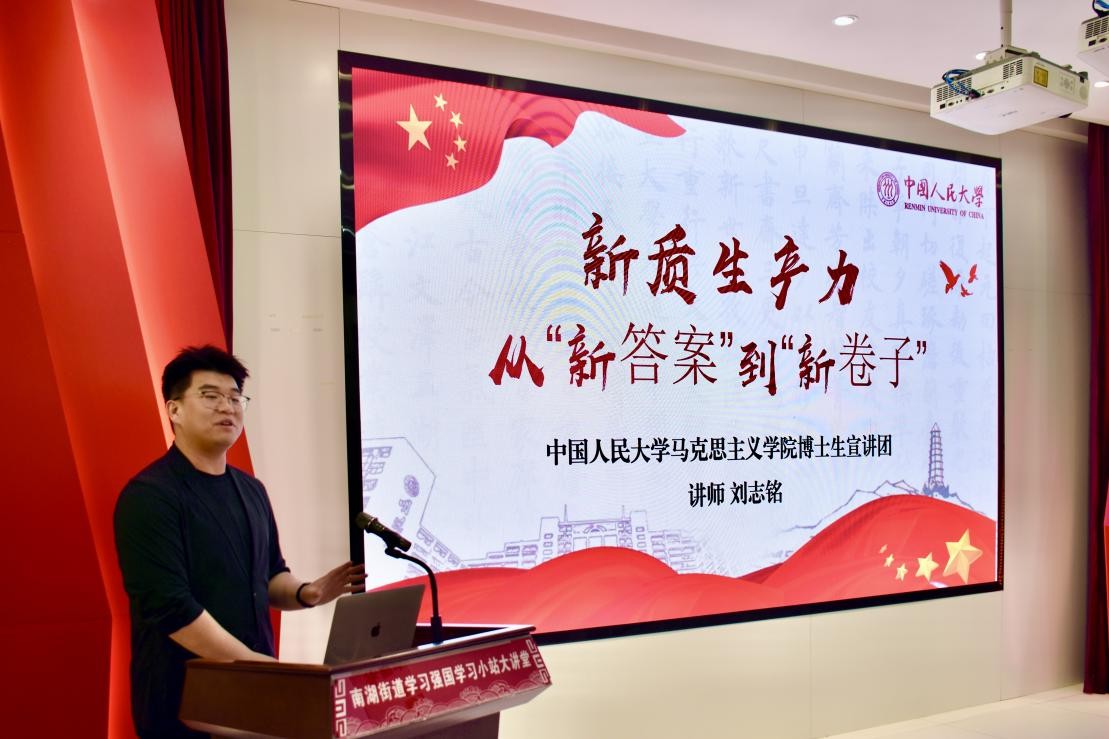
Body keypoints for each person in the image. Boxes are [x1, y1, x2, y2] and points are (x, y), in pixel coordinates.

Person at [114, 345, 364, 738]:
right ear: (174, 410)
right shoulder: (150, 496)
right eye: (210, 396)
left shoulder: (251, 490)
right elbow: (171, 608)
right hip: (182, 700)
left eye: (235, 398)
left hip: (253, 697)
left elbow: (269, 575)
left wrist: (306, 593)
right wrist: (255, 665)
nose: (227, 408)